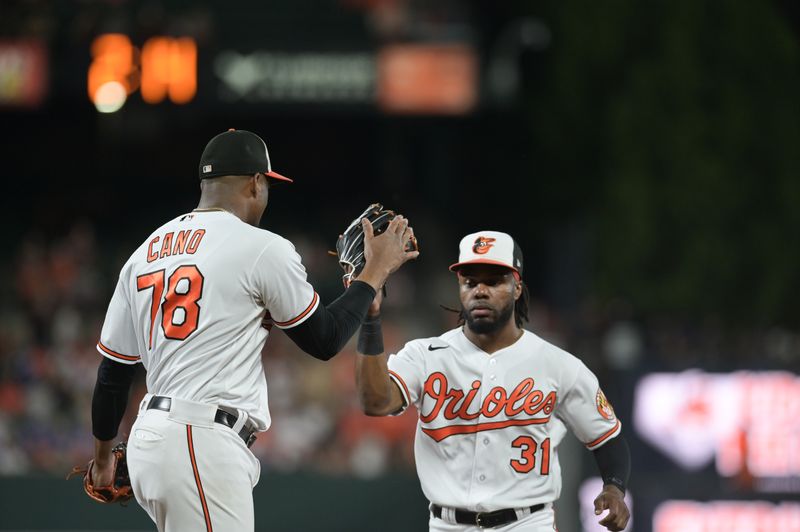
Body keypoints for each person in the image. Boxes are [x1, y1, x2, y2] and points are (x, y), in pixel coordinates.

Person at [88, 128, 418, 531]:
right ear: (255, 183)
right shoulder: (260, 247)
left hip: (152, 439)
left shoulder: (144, 252)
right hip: (199, 439)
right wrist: (374, 272)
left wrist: (104, 460)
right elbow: (325, 339)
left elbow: (112, 374)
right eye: (266, 185)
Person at [355, 230, 631, 531]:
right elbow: (376, 401)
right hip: (447, 525)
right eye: (470, 281)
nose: (480, 290)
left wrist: (614, 488)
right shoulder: (426, 355)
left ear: (516, 287)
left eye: (494, 280)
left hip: (527, 523)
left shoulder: (557, 364)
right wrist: (371, 317)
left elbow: (607, 437)